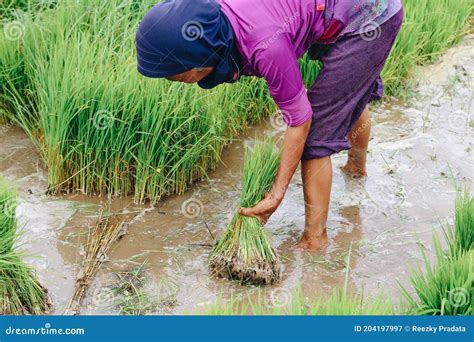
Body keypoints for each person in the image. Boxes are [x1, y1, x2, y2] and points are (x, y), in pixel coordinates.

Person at [136, 0, 403, 250]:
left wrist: (277, 194)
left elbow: (301, 120)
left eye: (175, 75)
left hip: (369, 15)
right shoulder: (215, 19)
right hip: (334, 10)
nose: (175, 81)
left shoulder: (264, 45)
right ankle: (356, 171)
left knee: (315, 138)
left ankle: (315, 241)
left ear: (198, 56)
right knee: (348, 91)